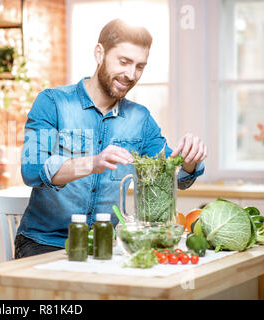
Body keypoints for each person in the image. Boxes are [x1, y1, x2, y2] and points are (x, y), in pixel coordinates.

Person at [15, 19, 207, 259]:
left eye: (139, 66)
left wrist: (189, 159)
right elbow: (32, 169)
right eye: (124, 62)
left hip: (108, 244)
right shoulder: (53, 102)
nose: (130, 74)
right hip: (46, 243)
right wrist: (92, 163)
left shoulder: (140, 118)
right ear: (99, 53)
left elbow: (172, 176)